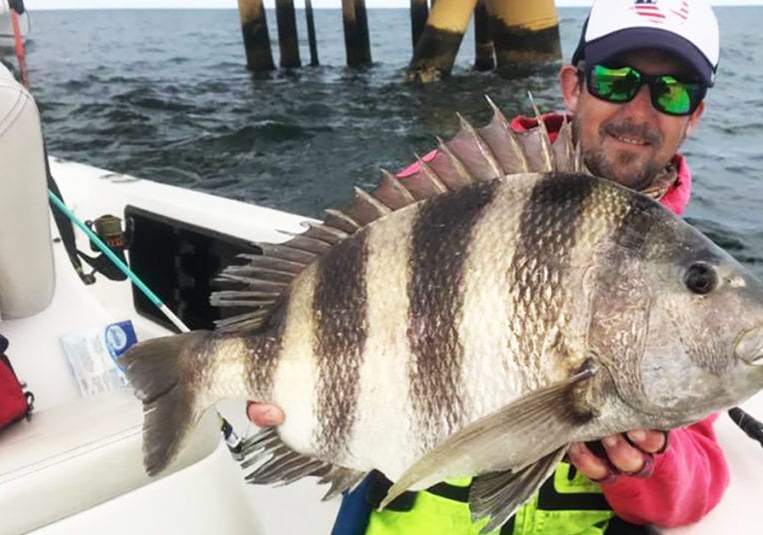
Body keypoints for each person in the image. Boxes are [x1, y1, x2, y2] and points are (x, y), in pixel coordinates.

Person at [247, 0, 727, 532]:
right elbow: (356, 268)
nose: (638, 111)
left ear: (694, 115)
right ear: (573, 86)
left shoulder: (678, 271)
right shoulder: (454, 190)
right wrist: (281, 377)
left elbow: (691, 493)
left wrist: (648, 466)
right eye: (615, 80)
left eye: (673, 91)